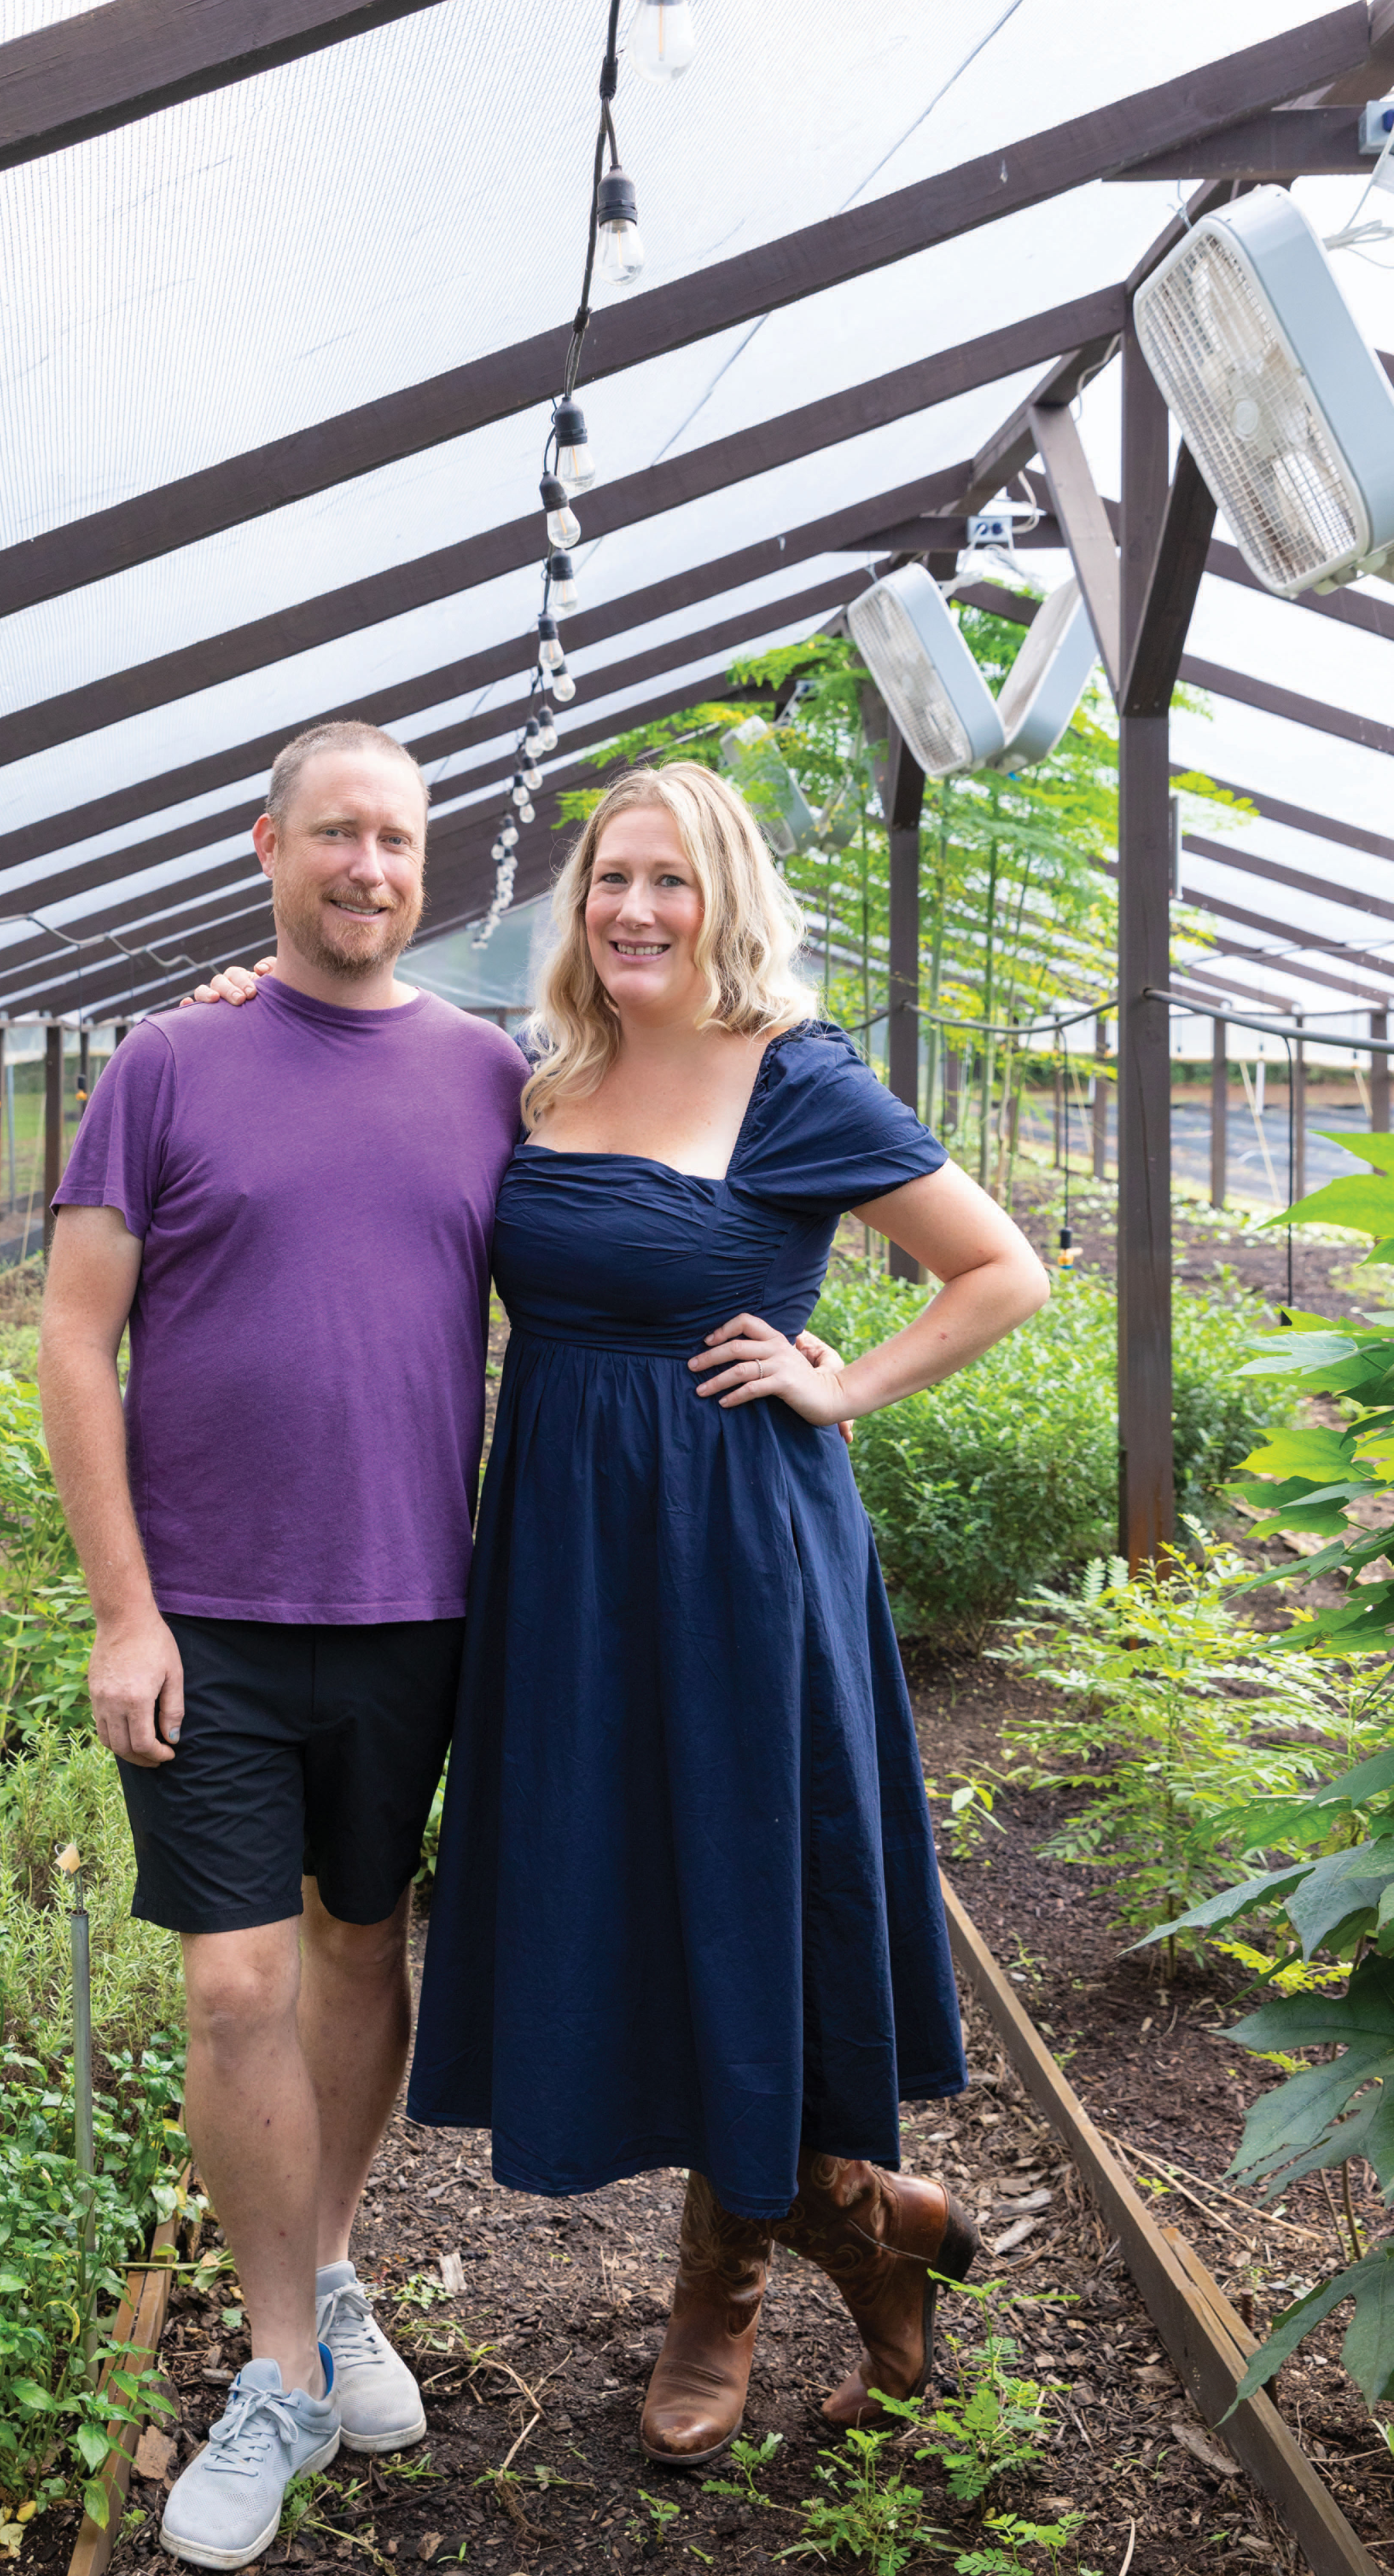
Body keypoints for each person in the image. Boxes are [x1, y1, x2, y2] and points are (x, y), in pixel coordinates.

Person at [400, 761, 1051, 2467]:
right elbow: (367, 1051)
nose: (631, 911)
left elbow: (998, 1270)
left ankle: (725, 2291)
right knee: (628, 1885)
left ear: (729, 898)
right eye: (609, 878)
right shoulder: (536, 1076)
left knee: (742, 1888)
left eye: (669, 882)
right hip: (567, 1558)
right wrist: (255, 980)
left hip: (735, 1551)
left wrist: (845, 1392)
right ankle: (868, 2220)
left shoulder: (794, 1080)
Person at [38, 721, 530, 2570]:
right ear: (266, 847)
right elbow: (77, 1338)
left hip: (415, 1607)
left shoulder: (489, 1076)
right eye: (338, 834)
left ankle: (328, 2277)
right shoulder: (169, 1064)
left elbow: (639, 1208)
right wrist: (124, 1608)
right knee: (236, 1987)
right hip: (213, 1622)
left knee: (357, 1947)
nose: (370, 869)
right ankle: (271, 2371)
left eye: (398, 840)